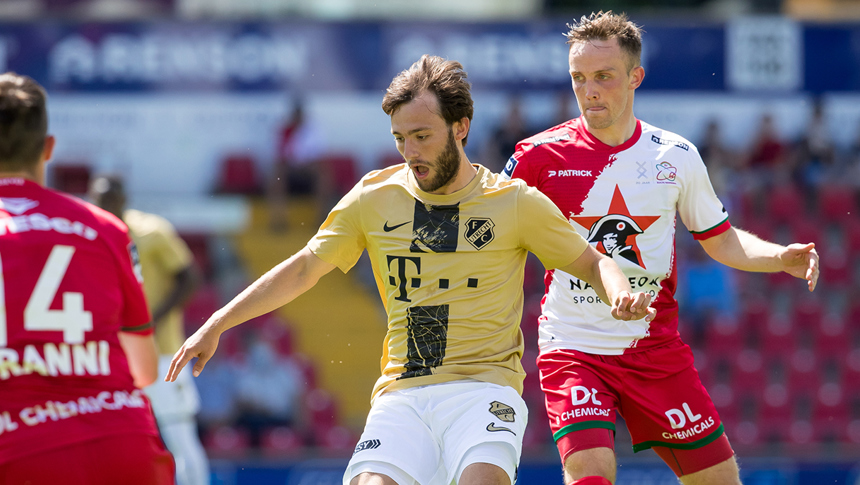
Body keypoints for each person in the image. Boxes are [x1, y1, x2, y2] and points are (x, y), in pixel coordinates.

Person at [166, 55, 655, 485]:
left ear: (460, 127)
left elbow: (594, 261)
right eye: (401, 138)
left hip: (483, 390)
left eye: (422, 136)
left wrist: (620, 293)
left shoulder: (514, 204)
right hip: (404, 392)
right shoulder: (374, 198)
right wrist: (218, 323)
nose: (411, 152)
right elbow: (303, 270)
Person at [503, 12, 820, 485]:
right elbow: (485, 227)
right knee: (591, 475)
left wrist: (779, 257)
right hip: (574, 348)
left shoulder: (675, 155)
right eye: (579, 78)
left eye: (604, 77)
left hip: (654, 351)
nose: (589, 90)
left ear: (635, 77)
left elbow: (722, 241)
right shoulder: (536, 157)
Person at [0, 73, 175, 484]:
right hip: (125, 448)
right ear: (48, 149)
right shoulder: (105, 227)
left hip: (19, 453)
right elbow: (144, 371)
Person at [89, 175, 210, 485]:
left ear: (124, 199)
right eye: (101, 199)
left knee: (178, 434)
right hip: (112, 357)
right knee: (116, 438)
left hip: (162, 353)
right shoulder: (88, 234)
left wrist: (151, 319)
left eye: (112, 198)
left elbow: (189, 277)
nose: (106, 205)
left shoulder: (151, 231)